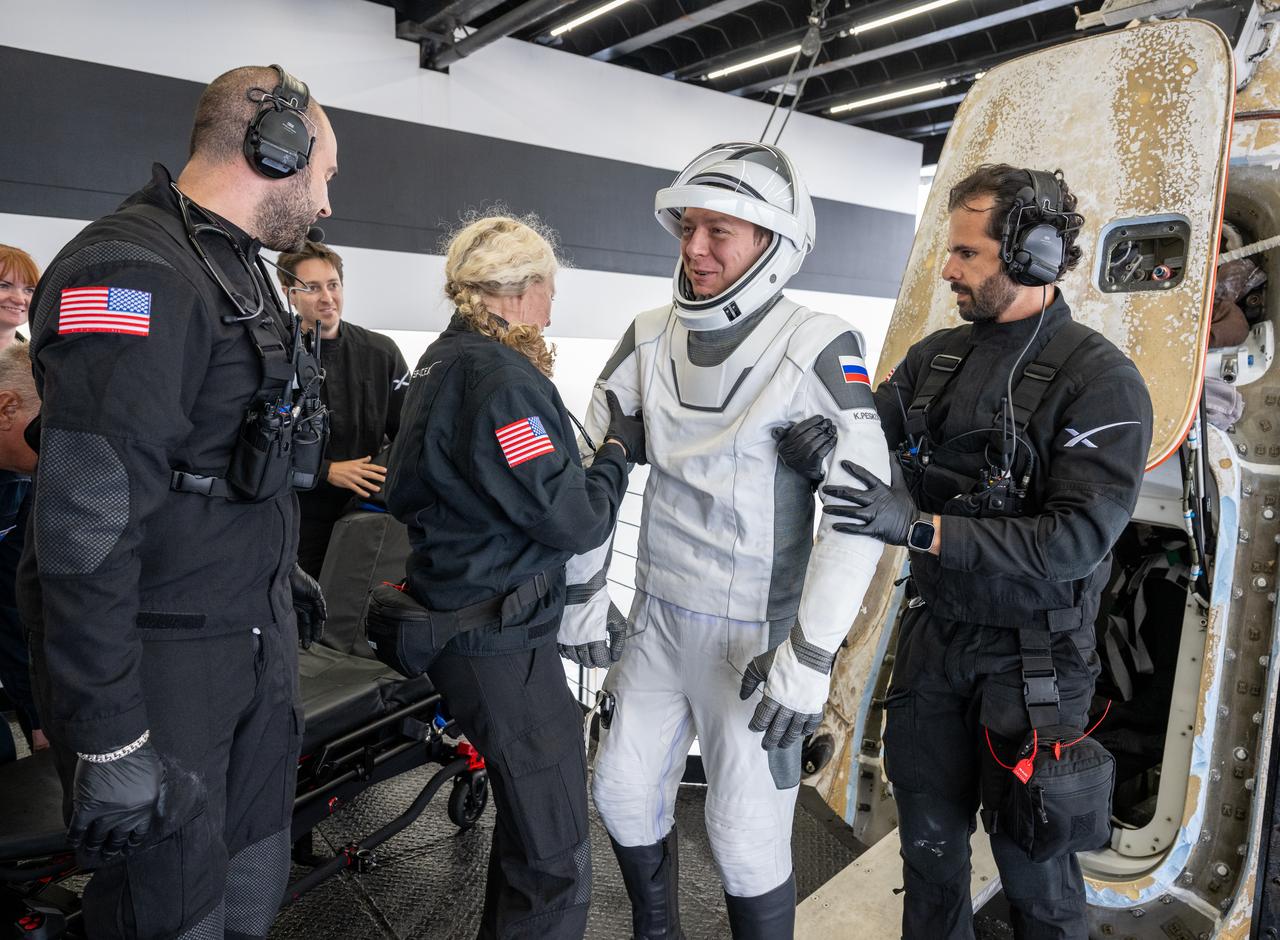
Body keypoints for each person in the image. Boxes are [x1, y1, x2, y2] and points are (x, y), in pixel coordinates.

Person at [24, 64, 336, 939]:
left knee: (248, 887)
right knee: (169, 917)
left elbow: (226, 456)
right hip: (164, 667)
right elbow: (84, 526)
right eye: (324, 173)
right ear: (278, 151)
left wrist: (283, 569)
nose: (325, 202)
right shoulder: (130, 267)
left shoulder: (236, 269)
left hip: (248, 640)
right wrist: (109, 738)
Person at [560, 142, 890, 939]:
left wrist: (810, 662)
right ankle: (656, 930)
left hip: (756, 641)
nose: (696, 250)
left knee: (745, 841)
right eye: (688, 229)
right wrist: (582, 595)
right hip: (657, 620)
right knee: (622, 795)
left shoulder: (817, 342)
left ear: (774, 244)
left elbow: (862, 515)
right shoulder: (647, 334)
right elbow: (584, 476)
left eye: (721, 232)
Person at [817, 164, 1153, 939]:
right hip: (936, 644)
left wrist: (922, 528)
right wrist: (823, 441)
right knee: (929, 857)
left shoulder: (1101, 382)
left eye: (967, 253)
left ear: (1033, 254)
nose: (948, 269)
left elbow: (1075, 540)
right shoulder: (936, 358)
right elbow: (868, 445)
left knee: (1035, 870)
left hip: (1034, 666)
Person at [384, 214, 645, 939]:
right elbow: (573, 522)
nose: (554, 307)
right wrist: (618, 452)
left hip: (456, 625)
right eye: (549, 288)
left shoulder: (436, 363)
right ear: (522, 289)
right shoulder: (501, 382)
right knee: (556, 853)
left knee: (530, 834)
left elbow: (404, 488)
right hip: (501, 649)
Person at [275, 240, 409, 576]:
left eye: (333, 285)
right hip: (297, 515)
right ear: (289, 293)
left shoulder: (381, 351)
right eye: (312, 288)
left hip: (364, 515)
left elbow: (409, 430)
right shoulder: (276, 355)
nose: (327, 298)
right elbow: (259, 443)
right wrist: (326, 471)